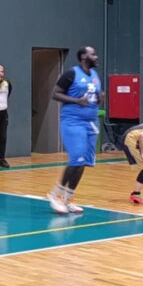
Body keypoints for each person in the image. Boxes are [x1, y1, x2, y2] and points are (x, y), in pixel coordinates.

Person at [47, 46, 103, 215]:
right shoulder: (71, 73)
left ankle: (68, 199)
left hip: (91, 122)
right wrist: (76, 101)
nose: (96, 56)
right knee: (76, 158)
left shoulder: (95, 75)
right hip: (73, 121)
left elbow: (93, 97)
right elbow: (55, 94)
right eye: (93, 54)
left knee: (83, 161)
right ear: (84, 56)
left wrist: (100, 98)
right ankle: (55, 195)